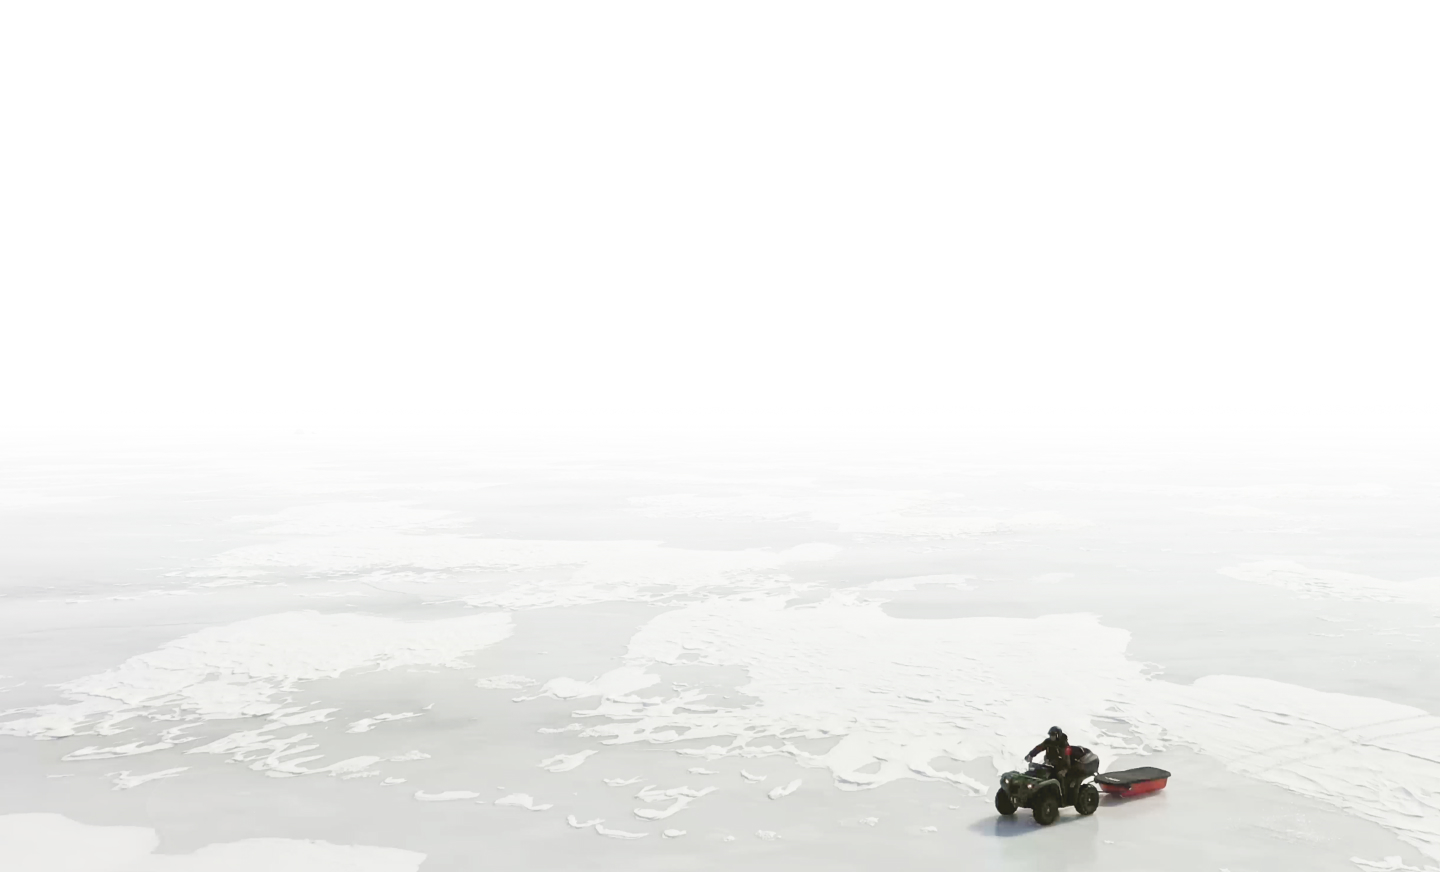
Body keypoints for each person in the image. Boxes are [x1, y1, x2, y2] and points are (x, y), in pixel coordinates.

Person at [1025, 726, 1073, 797]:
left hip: (1061, 767)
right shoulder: (1048, 742)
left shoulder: (1064, 745)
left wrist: (1065, 769)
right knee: (1037, 772)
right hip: (1049, 764)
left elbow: (1067, 758)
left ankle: (1063, 796)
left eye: (1053, 735)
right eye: (1050, 735)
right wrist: (1031, 754)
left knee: (1059, 777)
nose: (1051, 737)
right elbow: (1039, 747)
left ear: (1057, 735)